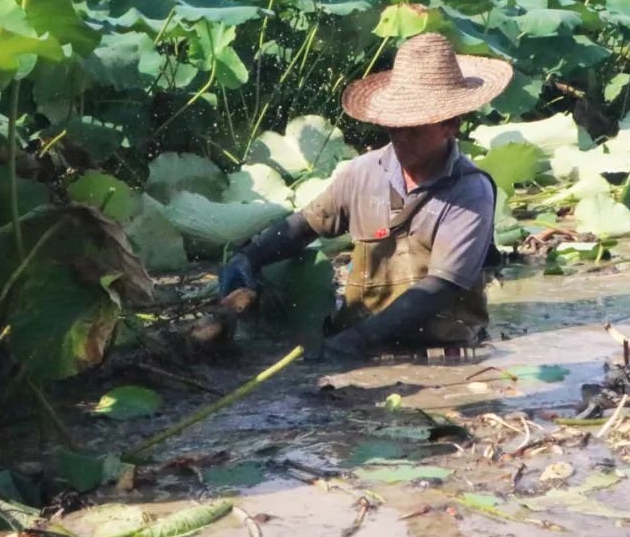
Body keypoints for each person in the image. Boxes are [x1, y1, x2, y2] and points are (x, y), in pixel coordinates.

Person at [218, 33, 513, 359]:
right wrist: (250, 256)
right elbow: (304, 226)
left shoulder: (471, 192)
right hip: (359, 338)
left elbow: (438, 288)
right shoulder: (362, 174)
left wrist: (355, 341)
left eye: (414, 128)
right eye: (394, 126)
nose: (401, 137)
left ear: (450, 125)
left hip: (440, 350)